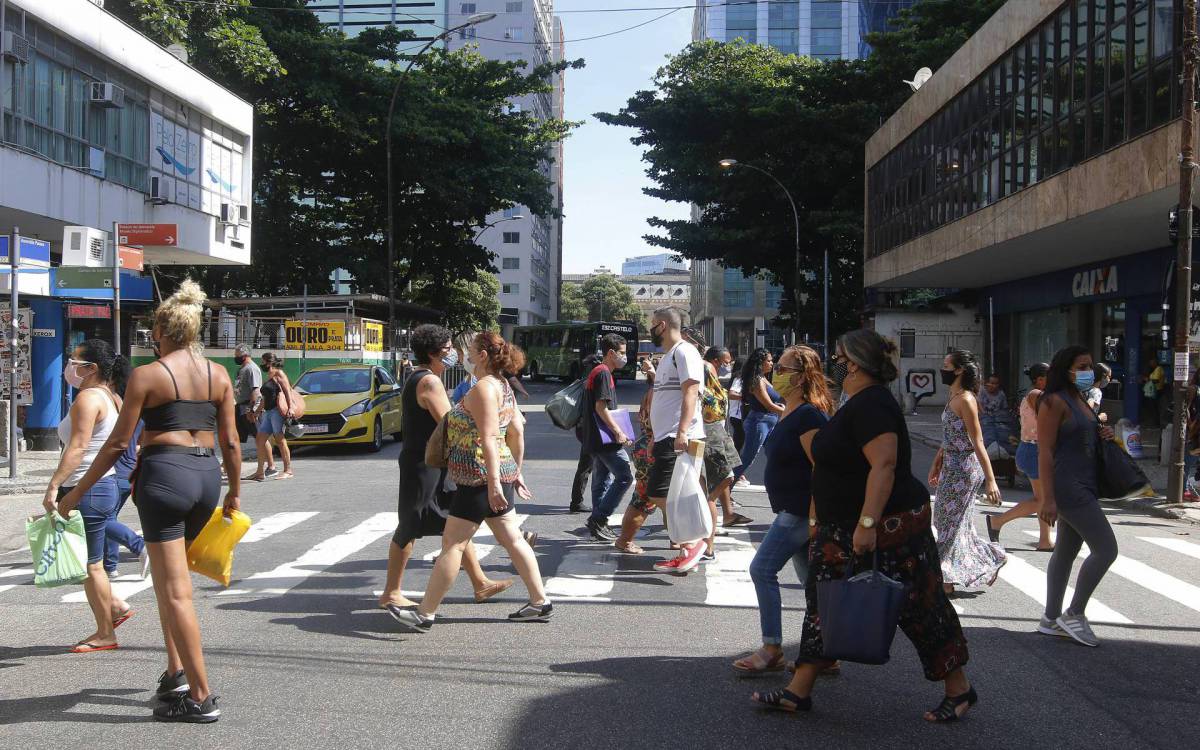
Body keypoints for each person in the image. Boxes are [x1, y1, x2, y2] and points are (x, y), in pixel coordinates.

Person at [752, 330, 974, 722]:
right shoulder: (853, 401)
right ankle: (798, 691)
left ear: (853, 363)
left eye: (837, 355)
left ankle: (959, 689)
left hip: (890, 524)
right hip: (842, 524)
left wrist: (868, 523)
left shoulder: (873, 404)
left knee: (920, 605)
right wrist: (820, 516)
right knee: (823, 602)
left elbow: (884, 465)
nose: (833, 362)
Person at [60, 280, 241, 722]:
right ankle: (175, 671)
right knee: (167, 581)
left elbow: (119, 444)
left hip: (164, 474)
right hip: (206, 477)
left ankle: (201, 696)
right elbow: (232, 441)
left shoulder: (148, 374)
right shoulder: (219, 374)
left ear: (162, 330)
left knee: (176, 591)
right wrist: (235, 490)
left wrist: (75, 494)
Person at [390, 333, 551, 632]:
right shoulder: (504, 386)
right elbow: (516, 432)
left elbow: (490, 437)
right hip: (497, 473)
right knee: (514, 540)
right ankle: (540, 601)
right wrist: (514, 472)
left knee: (453, 544)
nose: (465, 354)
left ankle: (425, 613)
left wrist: (492, 484)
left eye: (471, 351)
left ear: (483, 356)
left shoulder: (483, 390)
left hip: (478, 476)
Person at [379, 325, 513, 615]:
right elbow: (451, 422)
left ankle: (480, 582)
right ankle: (391, 592)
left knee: (456, 523)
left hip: (430, 463)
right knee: (410, 524)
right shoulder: (429, 382)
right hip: (423, 465)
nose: (454, 353)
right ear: (433, 353)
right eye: (448, 349)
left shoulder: (421, 376)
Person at [732, 345, 830, 675]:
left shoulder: (810, 416)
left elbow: (823, 468)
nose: (777, 373)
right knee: (812, 586)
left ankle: (772, 647)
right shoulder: (788, 409)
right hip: (791, 508)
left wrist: (816, 517)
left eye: (786, 369)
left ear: (803, 376)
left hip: (800, 511)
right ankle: (827, 652)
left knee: (762, 569)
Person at [43, 339, 135, 651]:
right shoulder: (113, 397)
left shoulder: (88, 399)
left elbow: (78, 447)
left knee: (90, 566)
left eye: (75, 361)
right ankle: (115, 607)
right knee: (88, 563)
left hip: (87, 486)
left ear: (91, 368)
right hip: (102, 485)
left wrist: (54, 486)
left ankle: (105, 633)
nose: (70, 367)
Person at [1035, 345, 1119, 648]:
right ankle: (1074, 613)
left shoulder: (1079, 398)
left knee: (1067, 552)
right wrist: (1047, 498)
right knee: (1107, 549)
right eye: (1082, 366)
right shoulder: (1053, 401)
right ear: (1065, 368)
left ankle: (1050, 617)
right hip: (1069, 486)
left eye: (1090, 365)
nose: (1088, 371)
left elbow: (1081, 436)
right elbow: (1044, 451)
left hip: (1083, 482)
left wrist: (1103, 433)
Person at [927, 350, 1007, 594]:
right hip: (951, 464)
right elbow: (951, 435)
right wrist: (937, 461)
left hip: (963, 468)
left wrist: (991, 481)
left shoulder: (967, 400)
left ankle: (946, 580)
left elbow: (977, 441)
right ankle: (989, 559)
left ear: (959, 369)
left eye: (946, 365)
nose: (943, 369)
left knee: (950, 522)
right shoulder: (954, 395)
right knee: (946, 520)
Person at [643, 307, 708, 573]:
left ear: (661, 325)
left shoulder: (684, 351)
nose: (650, 330)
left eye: (651, 325)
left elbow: (691, 392)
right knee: (673, 494)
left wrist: (681, 432)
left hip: (679, 437)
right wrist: (654, 437)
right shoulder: (669, 355)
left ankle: (693, 542)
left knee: (661, 492)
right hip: (666, 436)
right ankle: (686, 550)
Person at [986, 363, 1054, 551]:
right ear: (1040, 379)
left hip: (1033, 450)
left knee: (1043, 498)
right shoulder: (1035, 395)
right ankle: (998, 521)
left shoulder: (1040, 396)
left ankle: (1044, 540)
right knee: (1043, 499)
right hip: (1033, 451)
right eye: (1051, 376)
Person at [580, 335, 635, 541]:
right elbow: (601, 407)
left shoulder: (600, 372)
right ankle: (599, 518)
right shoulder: (603, 373)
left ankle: (597, 522)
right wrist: (618, 432)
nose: (625, 356)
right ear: (610, 353)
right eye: (622, 352)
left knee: (602, 480)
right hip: (604, 437)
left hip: (597, 437)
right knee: (625, 476)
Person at [701, 346, 751, 538]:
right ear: (715, 360)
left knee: (726, 473)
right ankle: (707, 512)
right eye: (726, 361)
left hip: (719, 431)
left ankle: (727, 514)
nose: (728, 365)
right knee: (724, 476)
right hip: (710, 432)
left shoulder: (712, 374)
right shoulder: (704, 368)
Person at [732, 348, 783, 485]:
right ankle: (724, 490)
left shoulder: (763, 378)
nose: (772, 363)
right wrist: (789, 412)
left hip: (770, 421)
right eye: (769, 361)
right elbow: (769, 405)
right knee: (747, 458)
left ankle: (778, 485)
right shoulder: (757, 381)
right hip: (760, 421)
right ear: (760, 362)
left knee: (775, 454)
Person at [107, 418, 149, 580]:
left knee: (100, 519)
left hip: (112, 473)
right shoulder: (139, 417)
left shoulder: (110, 413)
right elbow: (142, 442)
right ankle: (109, 567)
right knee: (109, 518)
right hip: (129, 474)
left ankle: (139, 546)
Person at [244, 354, 294, 481]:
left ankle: (288, 470)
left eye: (262, 361)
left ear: (268, 362)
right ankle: (260, 472)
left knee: (280, 440)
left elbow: (287, 390)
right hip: (268, 412)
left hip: (277, 411)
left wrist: (290, 407)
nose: (261, 364)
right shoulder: (269, 377)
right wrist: (256, 412)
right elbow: (264, 399)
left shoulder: (279, 374)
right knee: (260, 439)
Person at [232, 344, 273, 476]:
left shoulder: (252, 369)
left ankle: (271, 467)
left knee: (260, 437)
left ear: (244, 355)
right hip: (240, 407)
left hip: (249, 408)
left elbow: (255, 391)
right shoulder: (242, 369)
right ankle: (229, 466)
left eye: (237, 355)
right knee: (236, 437)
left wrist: (251, 410)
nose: (235, 357)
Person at [978, 374, 1012, 448]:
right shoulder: (981, 391)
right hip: (983, 420)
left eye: (995, 384)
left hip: (997, 420)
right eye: (991, 383)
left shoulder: (1001, 394)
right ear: (987, 383)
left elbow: (1004, 410)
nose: (993, 385)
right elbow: (978, 405)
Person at [727, 363, 746, 453]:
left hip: (736, 415)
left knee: (739, 440)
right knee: (738, 442)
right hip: (737, 415)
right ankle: (733, 463)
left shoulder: (737, 379)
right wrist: (746, 397)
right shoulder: (738, 379)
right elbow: (731, 395)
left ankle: (733, 462)